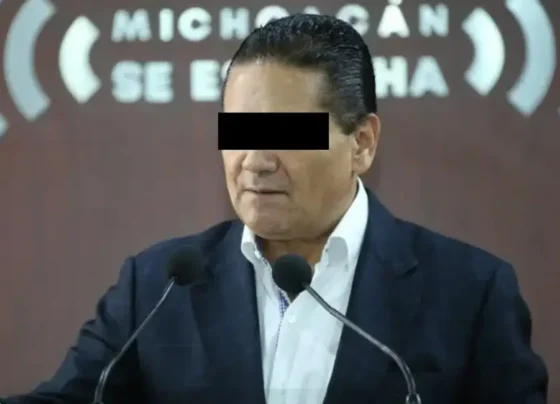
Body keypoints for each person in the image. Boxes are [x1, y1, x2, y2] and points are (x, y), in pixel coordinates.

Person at [2, 13, 548, 404]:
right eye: (238, 132)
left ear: (361, 143)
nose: (255, 162)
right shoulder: (156, 287)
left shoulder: (470, 294)